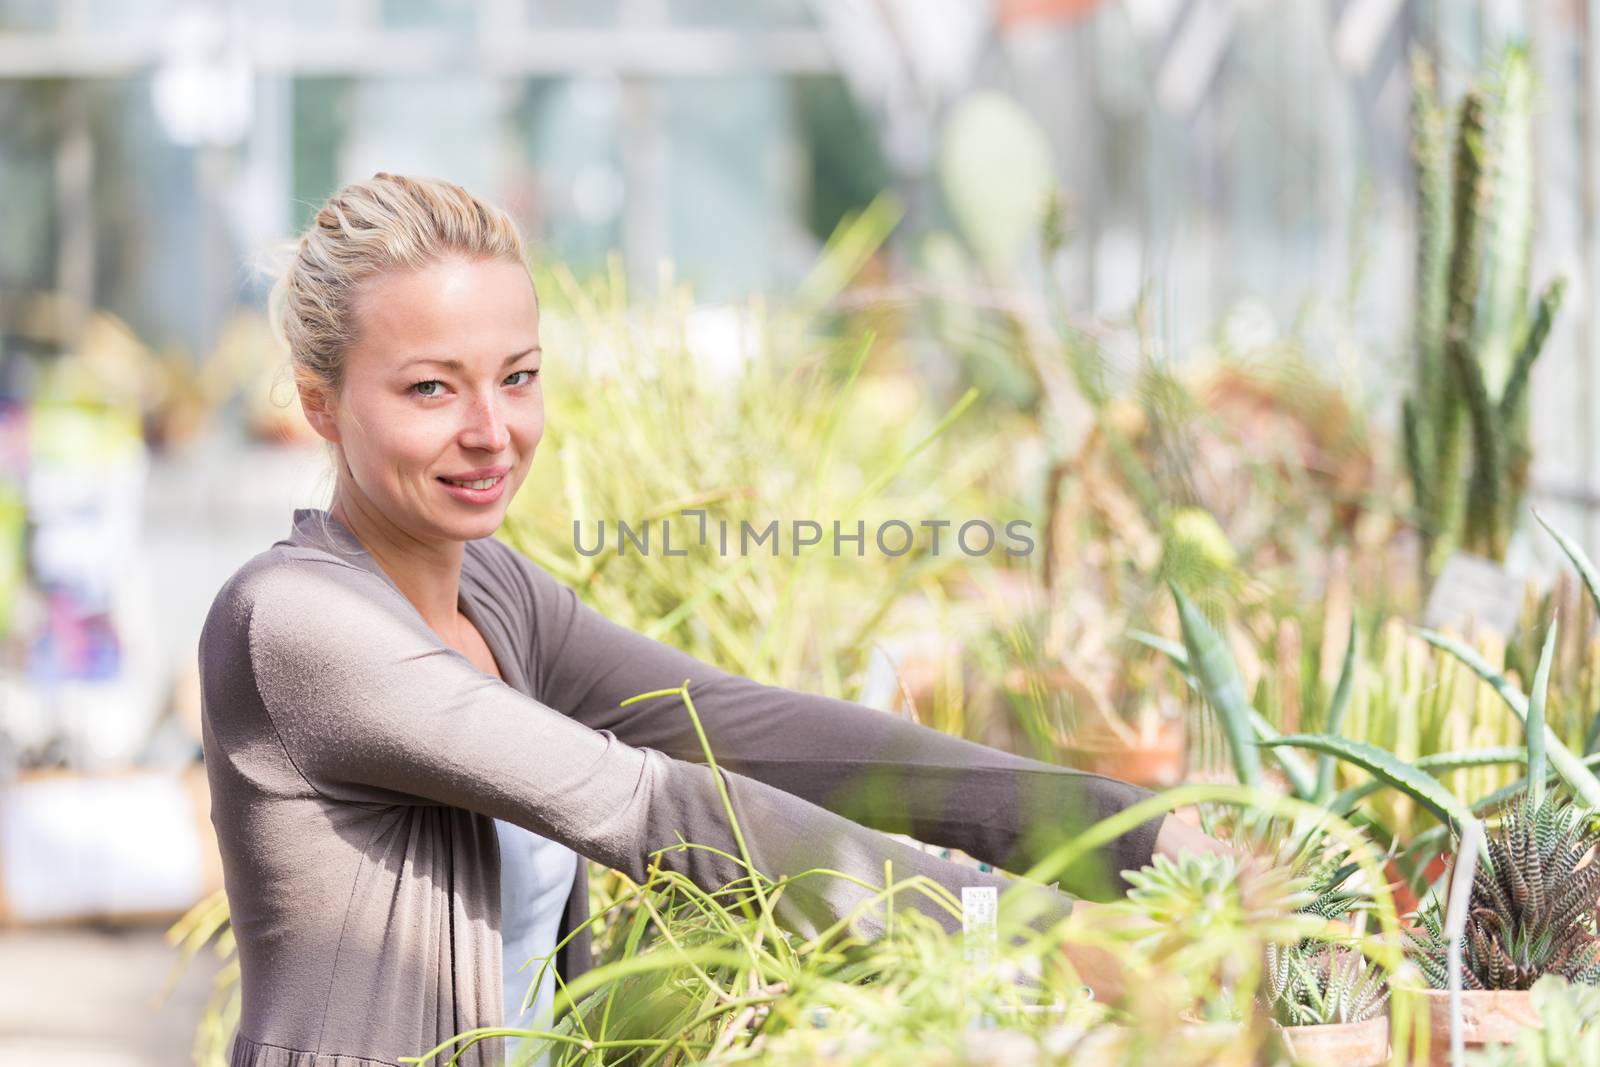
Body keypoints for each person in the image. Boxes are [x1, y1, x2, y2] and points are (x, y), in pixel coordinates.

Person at [198, 172, 1231, 1067]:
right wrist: (1036, 939)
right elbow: (655, 806)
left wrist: (1131, 834)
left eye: (518, 377)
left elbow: (771, 734)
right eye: (431, 388)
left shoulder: (497, 591)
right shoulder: (293, 621)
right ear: (321, 404)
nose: (492, 431)